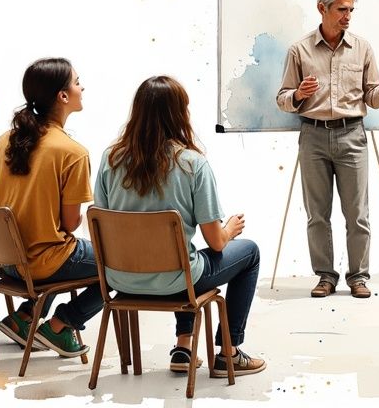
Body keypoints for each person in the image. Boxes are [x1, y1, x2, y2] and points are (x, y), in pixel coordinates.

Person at [94, 76, 266, 377]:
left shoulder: (111, 159)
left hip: (120, 278)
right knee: (248, 252)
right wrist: (229, 228)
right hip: (176, 281)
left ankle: (184, 347)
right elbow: (216, 243)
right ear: (179, 114)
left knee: (184, 256)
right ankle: (229, 352)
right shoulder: (192, 164)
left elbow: (101, 220)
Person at [276, 0, 379, 299]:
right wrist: (297, 94)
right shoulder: (300, 50)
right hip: (312, 136)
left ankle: (358, 277)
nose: (348, 16)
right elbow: (282, 98)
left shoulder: (363, 48)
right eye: (341, 9)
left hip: (352, 134)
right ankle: (325, 276)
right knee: (317, 214)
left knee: (358, 213)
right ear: (322, 9)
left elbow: (373, 98)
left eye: (351, 10)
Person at [0, 57, 103, 358]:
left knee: (54, 245)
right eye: (77, 82)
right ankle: (61, 325)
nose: (82, 87)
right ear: (62, 96)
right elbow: (69, 224)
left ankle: (24, 316)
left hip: (8, 260)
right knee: (122, 265)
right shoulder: (72, 153)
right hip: (41, 263)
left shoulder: (4, 141)